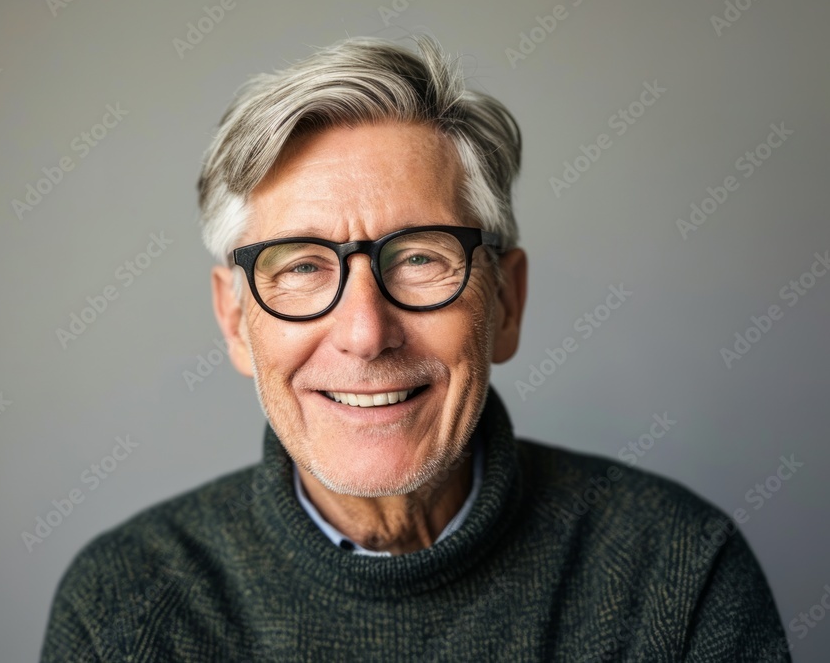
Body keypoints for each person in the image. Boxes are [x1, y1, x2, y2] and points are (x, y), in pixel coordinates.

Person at [41, 36, 790, 661]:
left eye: (420, 257)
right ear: (236, 321)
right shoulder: (125, 607)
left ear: (506, 302)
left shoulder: (680, 570)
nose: (367, 332)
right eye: (302, 266)